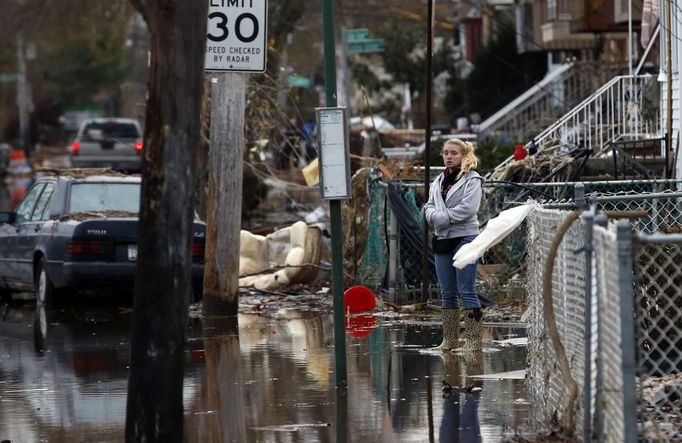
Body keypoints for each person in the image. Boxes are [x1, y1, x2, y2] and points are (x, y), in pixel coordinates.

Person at [423, 138, 485, 353]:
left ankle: (474, 341)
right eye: (446, 153)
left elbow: (468, 210)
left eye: (454, 153)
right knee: (447, 292)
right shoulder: (438, 181)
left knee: (466, 289)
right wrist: (434, 216)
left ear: (463, 155)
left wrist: (439, 218)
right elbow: (428, 207)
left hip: (465, 237)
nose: (449, 156)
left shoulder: (472, 180)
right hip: (442, 239)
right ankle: (449, 340)